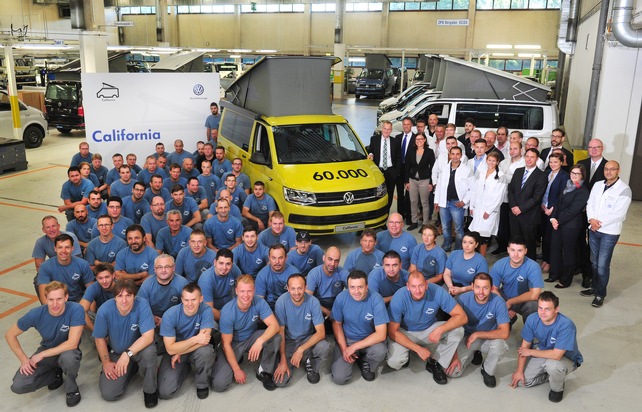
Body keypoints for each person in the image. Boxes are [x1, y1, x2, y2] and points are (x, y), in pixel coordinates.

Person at [6, 282, 84, 407]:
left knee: (69, 359)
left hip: (68, 351)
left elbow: (72, 343)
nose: (55, 304)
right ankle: (55, 375)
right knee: (19, 385)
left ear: (66, 297)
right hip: (48, 350)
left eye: (59, 299)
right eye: (51, 299)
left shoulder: (76, 309)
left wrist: (42, 354)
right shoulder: (35, 314)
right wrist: (24, 360)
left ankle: (72, 389)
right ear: (45, 298)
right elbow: (10, 335)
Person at [386, 272, 467, 385]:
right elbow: (392, 332)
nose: (418, 290)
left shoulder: (437, 291)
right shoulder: (399, 297)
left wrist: (441, 329)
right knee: (394, 362)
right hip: (405, 332)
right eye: (413, 286)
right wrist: (418, 349)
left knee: (458, 330)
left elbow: (462, 316)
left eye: (421, 286)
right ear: (408, 286)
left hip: (428, 329)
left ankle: (435, 362)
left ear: (426, 284)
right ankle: (408, 350)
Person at [93, 280, 158, 407]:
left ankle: (150, 390)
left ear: (134, 296)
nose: (124, 300)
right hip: (117, 352)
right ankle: (132, 368)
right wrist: (106, 362)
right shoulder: (104, 310)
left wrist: (127, 354)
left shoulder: (142, 304)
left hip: (140, 350)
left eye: (128, 295)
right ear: (114, 297)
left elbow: (148, 336)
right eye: (120, 296)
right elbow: (99, 339)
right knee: (109, 393)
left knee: (149, 353)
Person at [211, 275, 281, 392]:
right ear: (236, 291)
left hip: (251, 338)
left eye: (249, 291)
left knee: (276, 337)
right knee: (219, 385)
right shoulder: (228, 311)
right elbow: (226, 344)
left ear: (254, 291)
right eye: (242, 291)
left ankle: (263, 371)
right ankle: (228, 357)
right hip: (233, 343)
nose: (246, 295)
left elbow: (275, 326)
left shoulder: (259, 302)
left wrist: (259, 341)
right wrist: (237, 370)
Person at [510, 291, 583, 403]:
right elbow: (524, 347)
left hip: (565, 357)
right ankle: (550, 376)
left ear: (556, 309)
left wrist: (530, 352)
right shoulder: (532, 319)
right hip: (544, 352)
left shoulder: (566, 325)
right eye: (540, 308)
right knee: (523, 381)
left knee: (553, 366)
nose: (542, 313)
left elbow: (557, 355)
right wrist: (519, 371)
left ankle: (557, 388)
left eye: (547, 309)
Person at [445, 273, 510, 388]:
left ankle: (487, 370)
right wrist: (455, 357)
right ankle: (473, 353)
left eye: (485, 288)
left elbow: (504, 333)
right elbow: (452, 329)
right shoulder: (462, 299)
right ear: (472, 286)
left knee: (500, 345)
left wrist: (478, 334)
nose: (481, 292)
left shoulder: (499, 302)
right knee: (452, 372)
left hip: (487, 338)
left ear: (492, 288)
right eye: (478, 287)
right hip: (467, 338)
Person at [582, 160, 632, 307]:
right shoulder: (598, 185)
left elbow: (619, 214)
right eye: (606, 169)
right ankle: (594, 287)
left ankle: (600, 294)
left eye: (612, 169)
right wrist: (591, 219)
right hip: (594, 230)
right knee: (594, 262)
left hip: (609, 233)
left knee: (602, 265)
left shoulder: (624, 190)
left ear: (618, 171)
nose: (609, 172)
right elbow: (590, 203)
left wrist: (597, 223)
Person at [158, 284, 216, 400]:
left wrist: (180, 351)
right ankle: (185, 368)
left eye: (193, 299)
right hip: (175, 353)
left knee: (206, 352)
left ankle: (202, 384)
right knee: (165, 392)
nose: (190, 304)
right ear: (181, 299)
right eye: (186, 300)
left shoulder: (206, 310)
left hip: (191, 350)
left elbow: (204, 341)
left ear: (201, 299)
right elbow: (170, 349)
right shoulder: (170, 315)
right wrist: (194, 339)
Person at [331, 270, 389, 384]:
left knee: (380, 351)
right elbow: (336, 324)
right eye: (352, 287)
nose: (356, 291)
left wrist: (354, 347)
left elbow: (381, 334)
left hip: (369, 340)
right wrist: (344, 349)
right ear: (348, 287)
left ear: (367, 287)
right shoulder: (341, 298)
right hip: (348, 340)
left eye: (360, 287)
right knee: (339, 378)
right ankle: (353, 356)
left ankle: (366, 361)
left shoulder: (376, 299)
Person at [273, 274, 330, 386]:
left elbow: (321, 333)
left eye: (300, 288)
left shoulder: (313, 302)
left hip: (307, 340)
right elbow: (281, 333)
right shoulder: (281, 302)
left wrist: (300, 349)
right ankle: (294, 358)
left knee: (324, 347)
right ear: (288, 288)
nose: (296, 292)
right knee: (280, 382)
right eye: (293, 288)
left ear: (305, 287)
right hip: (289, 342)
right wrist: (283, 360)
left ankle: (310, 362)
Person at [548, 164, 590, 288]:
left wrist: (558, 220)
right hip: (558, 223)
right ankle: (554, 274)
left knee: (568, 252)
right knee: (555, 249)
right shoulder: (567, 185)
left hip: (571, 225)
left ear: (582, 175)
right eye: (572, 173)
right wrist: (553, 218)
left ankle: (565, 280)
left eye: (577, 173)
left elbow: (573, 210)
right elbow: (557, 203)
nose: (574, 175)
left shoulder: (583, 191)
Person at [138, 254, 189, 352]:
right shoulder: (147, 284)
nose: (163, 270)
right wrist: (154, 319)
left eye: (167, 267)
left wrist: (166, 321)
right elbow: (141, 308)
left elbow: (187, 308)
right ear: (154, 269)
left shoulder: (182, 283)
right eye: (160, 267)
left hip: (176, 322)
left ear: (173, 268)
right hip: (153, 322)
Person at [576, 138, 608, 287]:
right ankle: (579, 265)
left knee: (592, 245)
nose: (594, 150)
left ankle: (588, 274)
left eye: (597, 147)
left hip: (595, 214)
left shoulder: (607, 166)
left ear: (602, 148)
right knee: (578, 240)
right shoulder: (581, 163)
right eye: (591, 147)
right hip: (579, 210)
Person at [490, 237, 543, 325]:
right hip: (504, 298)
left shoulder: (533, 267)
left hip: (524, 300)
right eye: (513, 250)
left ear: (525, 251)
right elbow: (493, 289)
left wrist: (510, 302)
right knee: (488, 298)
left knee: (533, 306)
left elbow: (535, 294)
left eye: (520, 250)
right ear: (508, 250)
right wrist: (503, 306)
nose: (516, 254)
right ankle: (507, 322)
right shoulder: (499, 265)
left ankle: (530, 331)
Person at [507, 148, 547, 261]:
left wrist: (521, 208)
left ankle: (529, 267)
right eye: (527, 156)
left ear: (537, 159)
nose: (529, 159)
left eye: (532, 157)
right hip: (514, 214)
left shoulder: (541, 175)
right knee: (515, 243)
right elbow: (511, 190)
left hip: (529, 216)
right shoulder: (518, 171)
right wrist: (513, 206)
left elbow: (536, 197)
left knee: (529, 244)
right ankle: (515, 264)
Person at [466, 151, 506, 256]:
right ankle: (474, 257)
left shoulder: (501, 176)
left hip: (489, 210)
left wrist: (489, 211)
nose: (491, 163)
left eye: (494, 161)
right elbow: (474, 190)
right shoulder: (481, 172)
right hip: (477, 208)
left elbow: (499, 197)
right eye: (489, 160)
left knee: (483, 237)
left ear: (498, 162)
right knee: (475, 234)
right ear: (486, 160)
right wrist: (472, 206)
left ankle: (482, 259)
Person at [434, 146, 473, 251]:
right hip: (444, 202)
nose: (455, 156)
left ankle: (458, 249)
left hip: (457, 204)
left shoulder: (467, 170)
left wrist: (464, 201)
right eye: (453, 154)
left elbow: (472, 188)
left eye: (457, 154)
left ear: (461, 155)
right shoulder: (445, 169)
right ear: (449, 155)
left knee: (458, 228)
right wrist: (436, 201)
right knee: (445, 227)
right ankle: (447, 245)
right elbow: (439, 185)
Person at [36, 234, 94, 304]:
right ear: (55, 249)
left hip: (77, 301)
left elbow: (91, 291)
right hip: (56, 302)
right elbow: (43, 296)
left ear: (72, 248)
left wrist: (85, 308)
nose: (63, 251)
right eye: (60, 247)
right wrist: (54, 308)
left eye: (67, 247)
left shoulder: (83, 264)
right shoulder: (45, 267)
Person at [540, 152, 569, 273]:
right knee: (544, 237)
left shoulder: (564, 176)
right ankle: (545, 258)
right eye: (551, 162)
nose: (552, 164)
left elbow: (562, 195)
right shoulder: (546, 173)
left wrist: (552, 209)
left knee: (551, 237)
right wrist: (542, 205)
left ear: (561, 162)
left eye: (556, 162)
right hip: (542, 208)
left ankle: (550, 261)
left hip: (553, 210)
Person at [495, 140, 525, 255]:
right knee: (502, 224)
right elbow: (497, 176)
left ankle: (514, 248)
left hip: (516, 200)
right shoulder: (504, 162)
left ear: (521, 150)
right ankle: (502, 246)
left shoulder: (524, 163)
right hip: (502, 197)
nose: (512, 151)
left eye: (515, 149)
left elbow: (516, 181)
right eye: (510, 149)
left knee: (514, 226)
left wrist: (505, 177)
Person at [305, 246, 350, 320]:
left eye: (336, 261)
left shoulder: (343, 272)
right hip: (319, 305)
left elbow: (354, 290)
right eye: (330, 259)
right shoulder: (314, 274)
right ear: (324, 258)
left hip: (337, 304)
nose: (332, 264)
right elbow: (308, 298)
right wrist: (327, 312)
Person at [198, 248, 241, 322]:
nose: (224, 267)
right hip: (215, 312)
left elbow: (242, 287)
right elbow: (209, 309)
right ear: (215, 262)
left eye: (228, 264)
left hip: (231, 307)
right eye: (221, 263)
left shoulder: (234, 268)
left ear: (232, 264)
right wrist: (228, 321)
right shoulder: (206, 280)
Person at [367, 120, 401, 211]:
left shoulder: (395, 142)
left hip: (391, 171)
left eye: (389, 129)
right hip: (378, 171)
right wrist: (370, 154)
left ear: (391, 130)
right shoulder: (374, 139)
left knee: (389, 195)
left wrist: (396, 172)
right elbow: (370, 149)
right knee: (378, 194)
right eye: (385, 129)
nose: (386, 131)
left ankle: (386, 213)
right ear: (382, 129)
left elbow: (398, 157)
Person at [443, 231, 488, 297]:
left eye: (471, 243)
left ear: (476, 245)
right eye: (464, 242)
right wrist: (450, 286)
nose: (467, 245)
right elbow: (447, 274)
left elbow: (480, 284)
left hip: (469, 290)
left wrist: (462, 290)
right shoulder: (454, 254)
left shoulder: (481, 261)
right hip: (450, 285)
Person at [404, 132, 435, 230]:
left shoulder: (429, 152)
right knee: (413, 202)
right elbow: (407, 167)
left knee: (424, 202)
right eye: (417, 139)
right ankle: (414, 222)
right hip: (412, 180)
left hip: (424, 180)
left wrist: (431, 182)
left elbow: (433, 168)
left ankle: (425, 224)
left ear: (425, 140)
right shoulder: (410, 151)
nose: (419, 141)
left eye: (421, 139)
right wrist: (406, 181)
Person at [255, 244, 300, 309]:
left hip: (290, 305)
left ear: (286, 258)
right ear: (269, 258)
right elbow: (259, 301)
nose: (277, 261)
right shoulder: (262, 275)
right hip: (269, 306)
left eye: (280, 258)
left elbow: (298, 297)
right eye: (274, 258)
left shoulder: (295, 274)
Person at [80, 263, 116, 332]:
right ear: (96, 278)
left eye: (107, 277)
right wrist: (96, 332)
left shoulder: (121, 287)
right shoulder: (93, 288)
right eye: (100, 278)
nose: (104, 281)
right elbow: (81, 310)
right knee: (83, 315)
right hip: (100, 318)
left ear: (113, 275)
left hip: (118, 318)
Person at [396, 117, 417, 223]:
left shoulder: (416, 138)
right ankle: (400, 215)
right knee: (400, 193)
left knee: (409, 194)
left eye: (408, 124)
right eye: (404, 124)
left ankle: (409, 216)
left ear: (411, 125)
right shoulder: (398, 137)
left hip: (410, 169)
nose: (406, 126)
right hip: (400, 169)